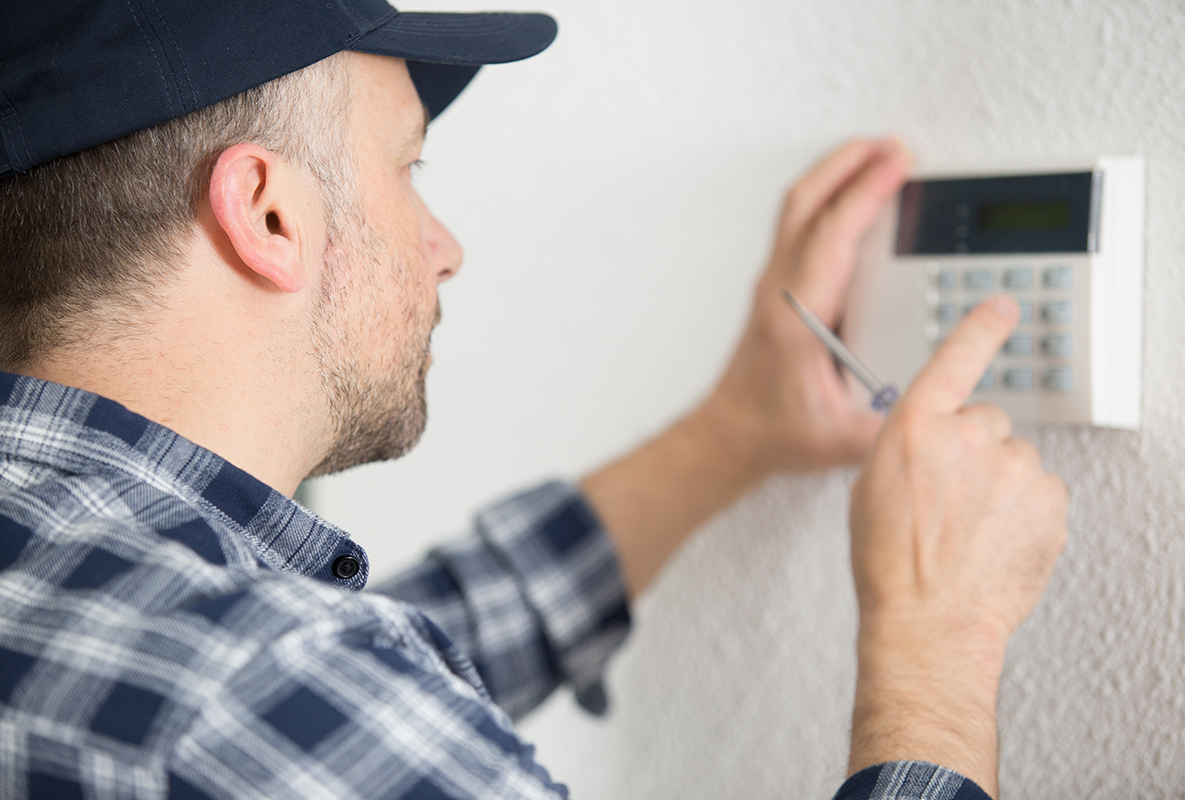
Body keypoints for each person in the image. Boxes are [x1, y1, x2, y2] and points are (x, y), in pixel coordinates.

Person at [0, 2, 1068, 798]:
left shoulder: (91, 586)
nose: (446, 249)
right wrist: (935, 644)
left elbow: (375, 679)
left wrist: (734, 431)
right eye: (408, 165)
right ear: (268, 215)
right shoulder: (253, 684)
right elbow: (295, 689)